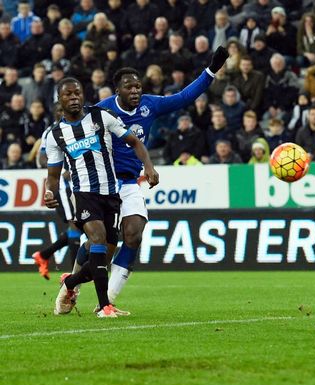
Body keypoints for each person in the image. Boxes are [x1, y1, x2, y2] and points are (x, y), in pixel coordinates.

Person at [55, 46, 229, 314]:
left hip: (129, 184)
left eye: (138, 87)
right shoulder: (101, 111)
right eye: (129, 87)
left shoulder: (150, 105)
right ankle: (71, 286)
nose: (136, 91)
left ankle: (108, 300)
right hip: (103, 185)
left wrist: (211, 70)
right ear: (118, 91)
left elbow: (184, 97)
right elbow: (73, 131)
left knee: (134, 236)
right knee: (97, 246)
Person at [43, 77, 158, 318]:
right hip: (84, 194)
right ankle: (105, 305)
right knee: (97, 238)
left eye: (78, 93)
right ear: (59, 100)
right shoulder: (55, 135)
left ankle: (71, 282)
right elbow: (52, 175)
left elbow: (134, 141)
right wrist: (50, 191)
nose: (74, 98)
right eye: (68, 95)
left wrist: (148, 166)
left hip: (111, 193)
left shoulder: (101, 117)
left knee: (104, 254)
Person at [32, 104, 82, 281]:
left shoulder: (75, 127)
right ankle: (74, 276)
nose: (63, 113)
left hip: (78, 182)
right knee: (76, 224)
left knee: (80, 224)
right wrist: (60, 169)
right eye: (59, 111)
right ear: (55, 114)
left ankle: (44, 255)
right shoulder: (51, 132)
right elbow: (42, 157)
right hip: (62, 185)